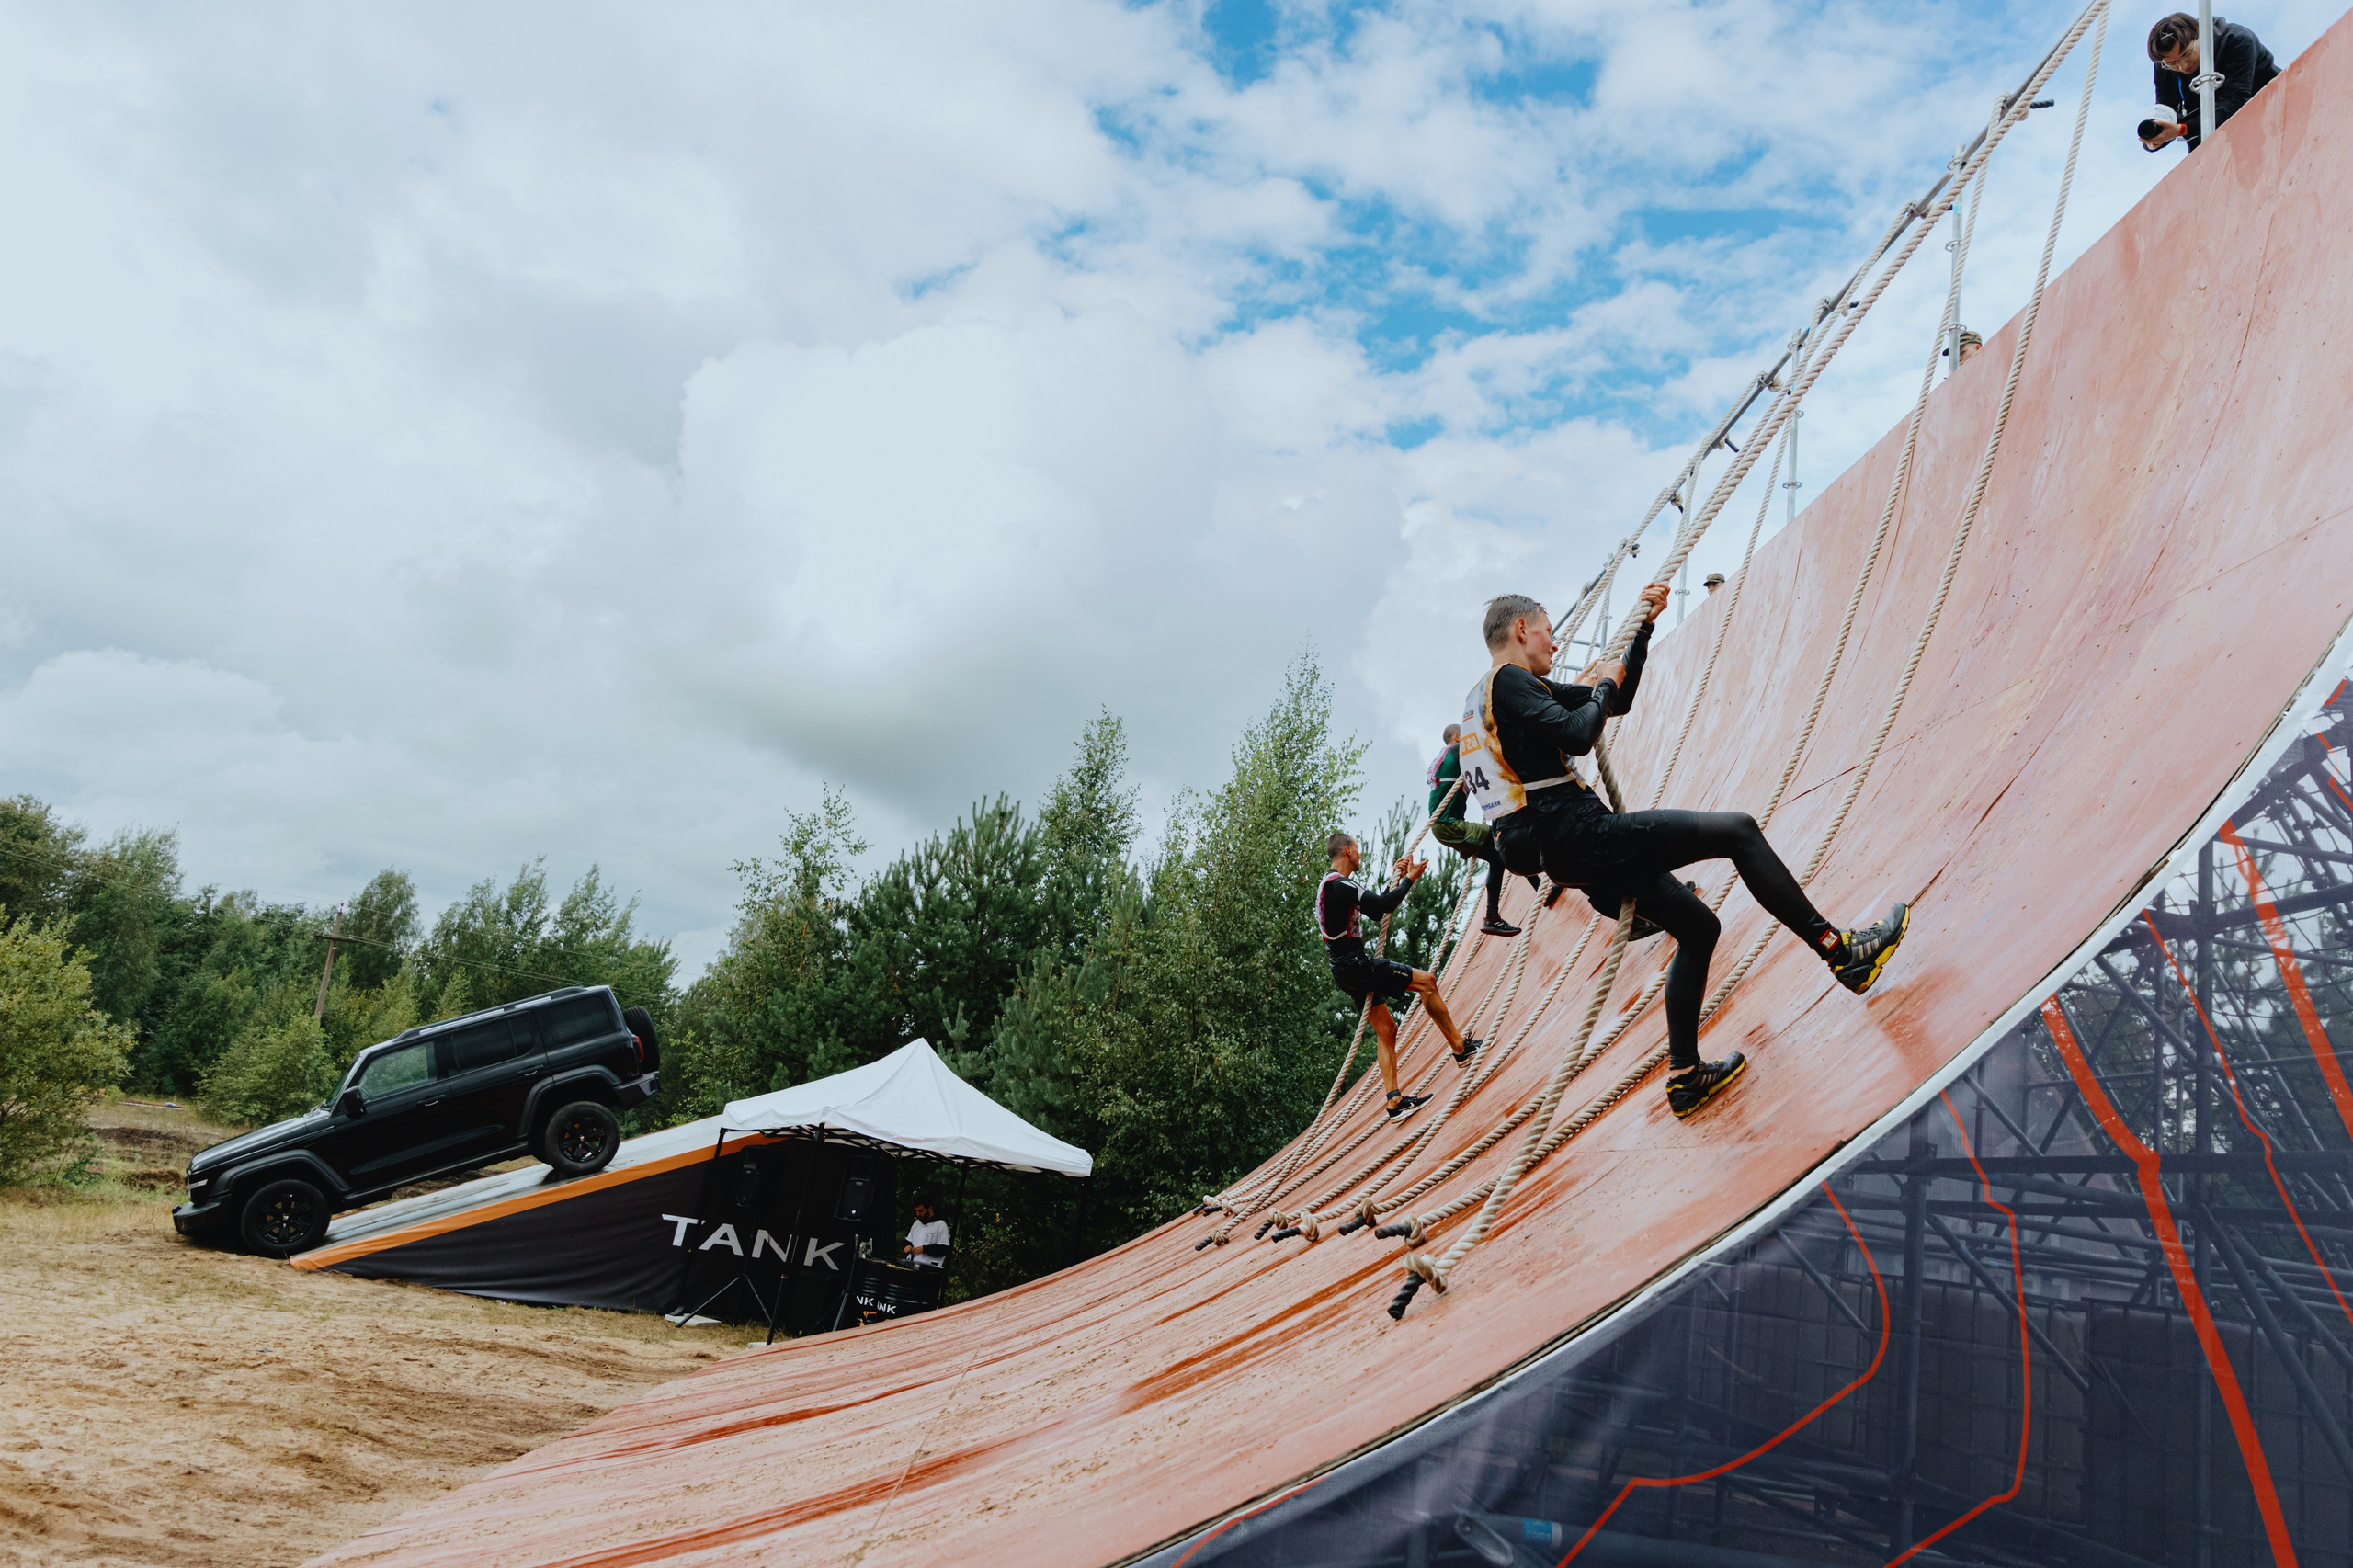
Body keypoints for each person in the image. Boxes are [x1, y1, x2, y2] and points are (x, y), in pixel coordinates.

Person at [1461, 589, 1912, 1119]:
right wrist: (1602, 681)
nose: (1554, 642)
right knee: (1740, 831)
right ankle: (1841, 953)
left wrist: (1643, 631)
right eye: (1546, 631)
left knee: (1699, 928)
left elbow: (1614, 704)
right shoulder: (1510, 682)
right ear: (1520, 629)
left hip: (1570, 847)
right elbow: (1582, 732)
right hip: (1581, 833)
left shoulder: (1485, 697)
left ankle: (1684, 1076)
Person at [1318, 833, 1484, 1121]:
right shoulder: (1340, 884)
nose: (1360, 854)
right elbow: (1386, 906)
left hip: (1344, 969)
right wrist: (1410, 879)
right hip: (1355, 964)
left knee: (1387, 1030)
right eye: (1357, 849)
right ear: (1347, 851)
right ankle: (1460, 1048)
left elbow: (1375, 907)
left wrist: (1396, 876)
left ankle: (1394, 1101)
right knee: (1427, 982)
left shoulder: (1332, 886)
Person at [1429, 722, 1528, 937]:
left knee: (1497, 857)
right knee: (1501, 838)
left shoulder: (1445, 758)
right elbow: (1485, 745)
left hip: (1445, 825)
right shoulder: (1456, 751)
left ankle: (1494, 915)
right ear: (1457, 736)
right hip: (1448, 824)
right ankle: (1498, 912)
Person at [2140, 12, 2279, 152]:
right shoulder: (2164, 67)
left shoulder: (2238, 40)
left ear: (2200, 36)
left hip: (2274, 115)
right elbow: (2167, 113)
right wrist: (2155, 139)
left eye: (2187, 54)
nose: (2183, 66)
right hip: (2219, 139)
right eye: (2172, 63)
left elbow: (2235, 102)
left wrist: (2182, 129)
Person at [902, 1195, 950, 1270]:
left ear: (930, 1208)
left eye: (921, 1211)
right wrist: (907, 1246)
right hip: (911, 1266)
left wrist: (925, 1249)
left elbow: (944, 1249)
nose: (918, 1214)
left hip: (929, 1269)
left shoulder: (940, 1225)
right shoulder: (917, 1223)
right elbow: (908, 1240)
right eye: (916, 1211)